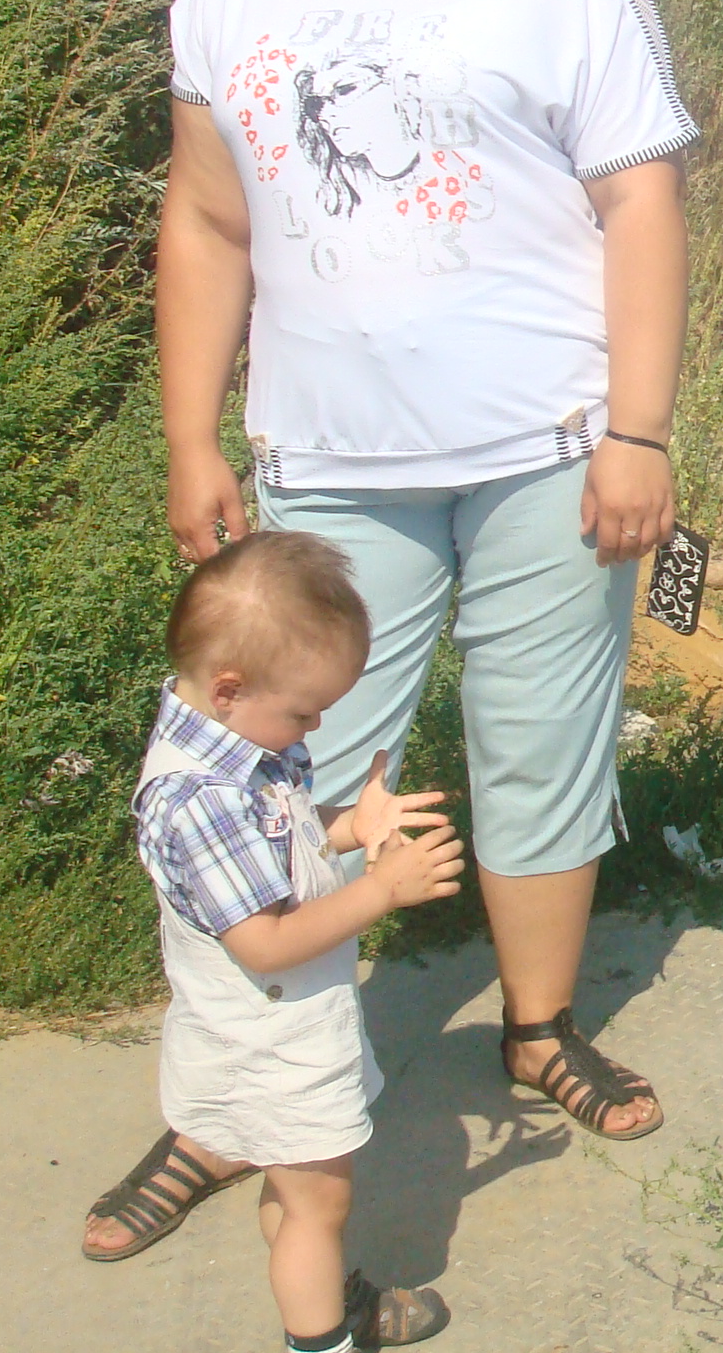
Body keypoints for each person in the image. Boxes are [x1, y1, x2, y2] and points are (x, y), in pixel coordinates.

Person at [83, 0, 696, 1261]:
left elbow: (640, 195)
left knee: (538, 743)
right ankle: (231, 1108)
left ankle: (539, 1027)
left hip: (548, 448)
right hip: (328, 462)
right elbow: (207, 221)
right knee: (278, 784)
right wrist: (191, 436)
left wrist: (638, 432)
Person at [130, 530, 464, 1349]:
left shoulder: (240, 746)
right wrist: (383, 890)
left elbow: (277, 842)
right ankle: (323, 1337)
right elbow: (266, 944)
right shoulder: (201, 799)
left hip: (278, 1034)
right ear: (230, 687)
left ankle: (322, 1294)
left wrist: (348, 826)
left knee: (298, 1198)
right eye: (305, 711)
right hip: (267, 1046)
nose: (316, 725)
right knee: (320, 1204)